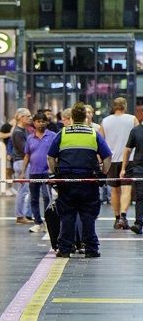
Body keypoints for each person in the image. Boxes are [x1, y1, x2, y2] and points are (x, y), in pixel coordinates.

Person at [47, 102, 111, 258]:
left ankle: (64, 249)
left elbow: (50, 157)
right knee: (88, 217)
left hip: (67, 182)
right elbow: (107, 156)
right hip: (88, 182)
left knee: (67, 216)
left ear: (73, 117)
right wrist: (103, 174)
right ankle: (91, 249)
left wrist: (55, 174)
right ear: (85, 117)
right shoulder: (93, 133)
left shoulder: (62, 133)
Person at [99, 97, 138, 229]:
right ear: (125, 106)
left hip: (112, 159)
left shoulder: (105, 121)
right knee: (126, 188)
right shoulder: (132, 119)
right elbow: (139, 137)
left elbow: (101, 142)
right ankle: (123, 216)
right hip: (129, 159)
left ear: (113, 106)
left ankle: (116, 219)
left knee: (114, 190)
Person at [22, 112, 56, 233]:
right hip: (33, 173)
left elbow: (56, 154)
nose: (41, 123)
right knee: (34, 199)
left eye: (43, 121)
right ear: (34, 123)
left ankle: (48, 222)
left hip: (47, 172)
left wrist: (55, 170)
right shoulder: (30, 138)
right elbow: (27, 155)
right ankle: (38, 222)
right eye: (38, 121)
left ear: (46, 122)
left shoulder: (53, 136)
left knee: (47, 197)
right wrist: (22, 172)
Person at [121, 116, 143, 234]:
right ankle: (138, 223)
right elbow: (127, 149)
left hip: (138, 168)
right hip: (139, 168)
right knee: (140, 196)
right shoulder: (136, 130)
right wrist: (123, 168)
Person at [11, 108, 34, 224]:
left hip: (23, 162)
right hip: (21, 163)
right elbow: (26, 150)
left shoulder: (23, 130)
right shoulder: (18, 132)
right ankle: (20, 216)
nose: (30, 118)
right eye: (28, 116)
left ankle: (26, 214)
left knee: (26, 189)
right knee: (23, 190)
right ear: (21, 117)